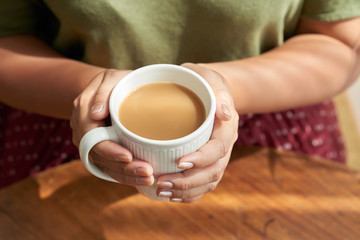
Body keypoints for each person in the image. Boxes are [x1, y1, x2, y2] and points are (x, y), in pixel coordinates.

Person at [0, 1, 359, 203]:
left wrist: (223, 92)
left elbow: (341, 42)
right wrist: (92, 93)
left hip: (270, 106)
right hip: (65, 114)